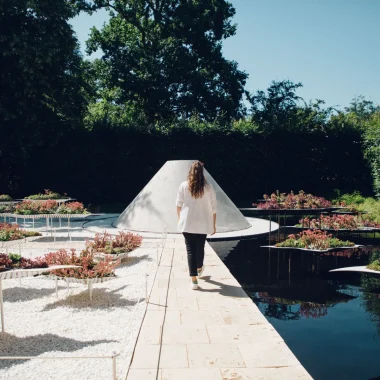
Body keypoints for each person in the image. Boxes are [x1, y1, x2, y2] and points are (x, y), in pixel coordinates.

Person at [176, 161, 217, 290]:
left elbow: (178, 205)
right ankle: (199, 268)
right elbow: (214, 208)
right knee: (200, 248)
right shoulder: (208, 187)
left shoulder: (183, 186)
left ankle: (193, 280)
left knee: (190, 251)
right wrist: (214, 225)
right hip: (203, 223)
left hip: (187, 223)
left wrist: (180, 220)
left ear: (190, 171)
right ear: (202, 172)